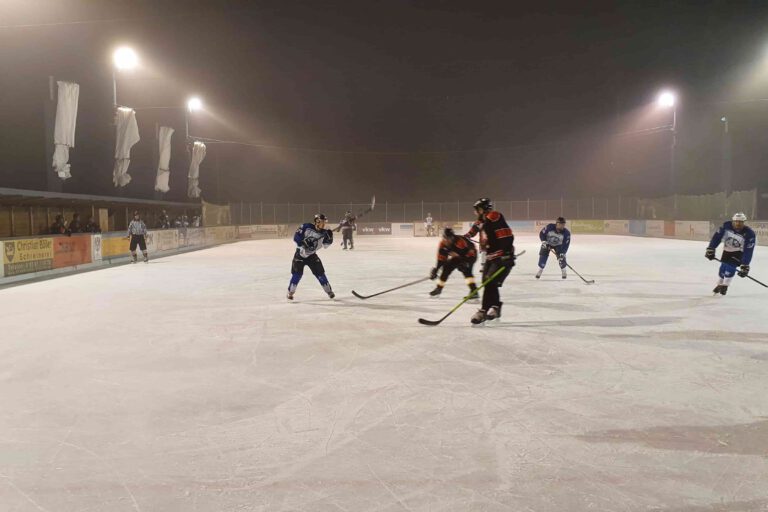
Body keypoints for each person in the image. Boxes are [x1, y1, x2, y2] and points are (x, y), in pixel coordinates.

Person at [464, 198, 515, 324]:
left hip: (502, 256)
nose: (475, 212)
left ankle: (483, 310)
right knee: (487, 283)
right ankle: (496, 307)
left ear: (483, 209)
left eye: (477, 210)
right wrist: (464, 238)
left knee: (489, 282)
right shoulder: (482, 221)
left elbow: (506, 234)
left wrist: (507, 253)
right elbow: (473, 231)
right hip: (490, 257)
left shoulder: (494, 216)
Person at [706, 212, 756, 295]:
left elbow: (748, 250)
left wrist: (745, 265)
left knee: (730, 266)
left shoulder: (749, 233)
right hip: (727, 250)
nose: (738, 224)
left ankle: (725, 285)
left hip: (739, 252)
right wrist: (711, 248)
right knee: (723, 268)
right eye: (736, 221)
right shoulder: (726, 226)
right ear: (733, 221)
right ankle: (719, 284)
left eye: (740, 222)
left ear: (744, 222)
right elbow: (717, 237)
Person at [287, 214, 335, 300]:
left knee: (320, 273)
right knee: (297, 275)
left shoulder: (324, 233)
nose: (324, 224)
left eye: (324, 222)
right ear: (317, 221)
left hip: (312, 255)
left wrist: (330, 238)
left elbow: (326, 245)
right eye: (322, 222)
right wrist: (303, 243)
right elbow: (296, 237)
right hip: (300, 255)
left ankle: (329, 291)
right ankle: (290, 292)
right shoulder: (306, 227)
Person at [429, 227, 478, 299]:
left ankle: (474, 292)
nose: (447, 241)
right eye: (445, 238)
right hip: (457, 257)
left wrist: (465, 262)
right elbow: (441, 259)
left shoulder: (460, 242)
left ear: (452, 237)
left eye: (449, 238)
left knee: (466, 271)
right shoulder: (442, 244)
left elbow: (472, 251)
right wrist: (436, 270)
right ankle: (438, 289)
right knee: (446, 268)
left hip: (470, 256)